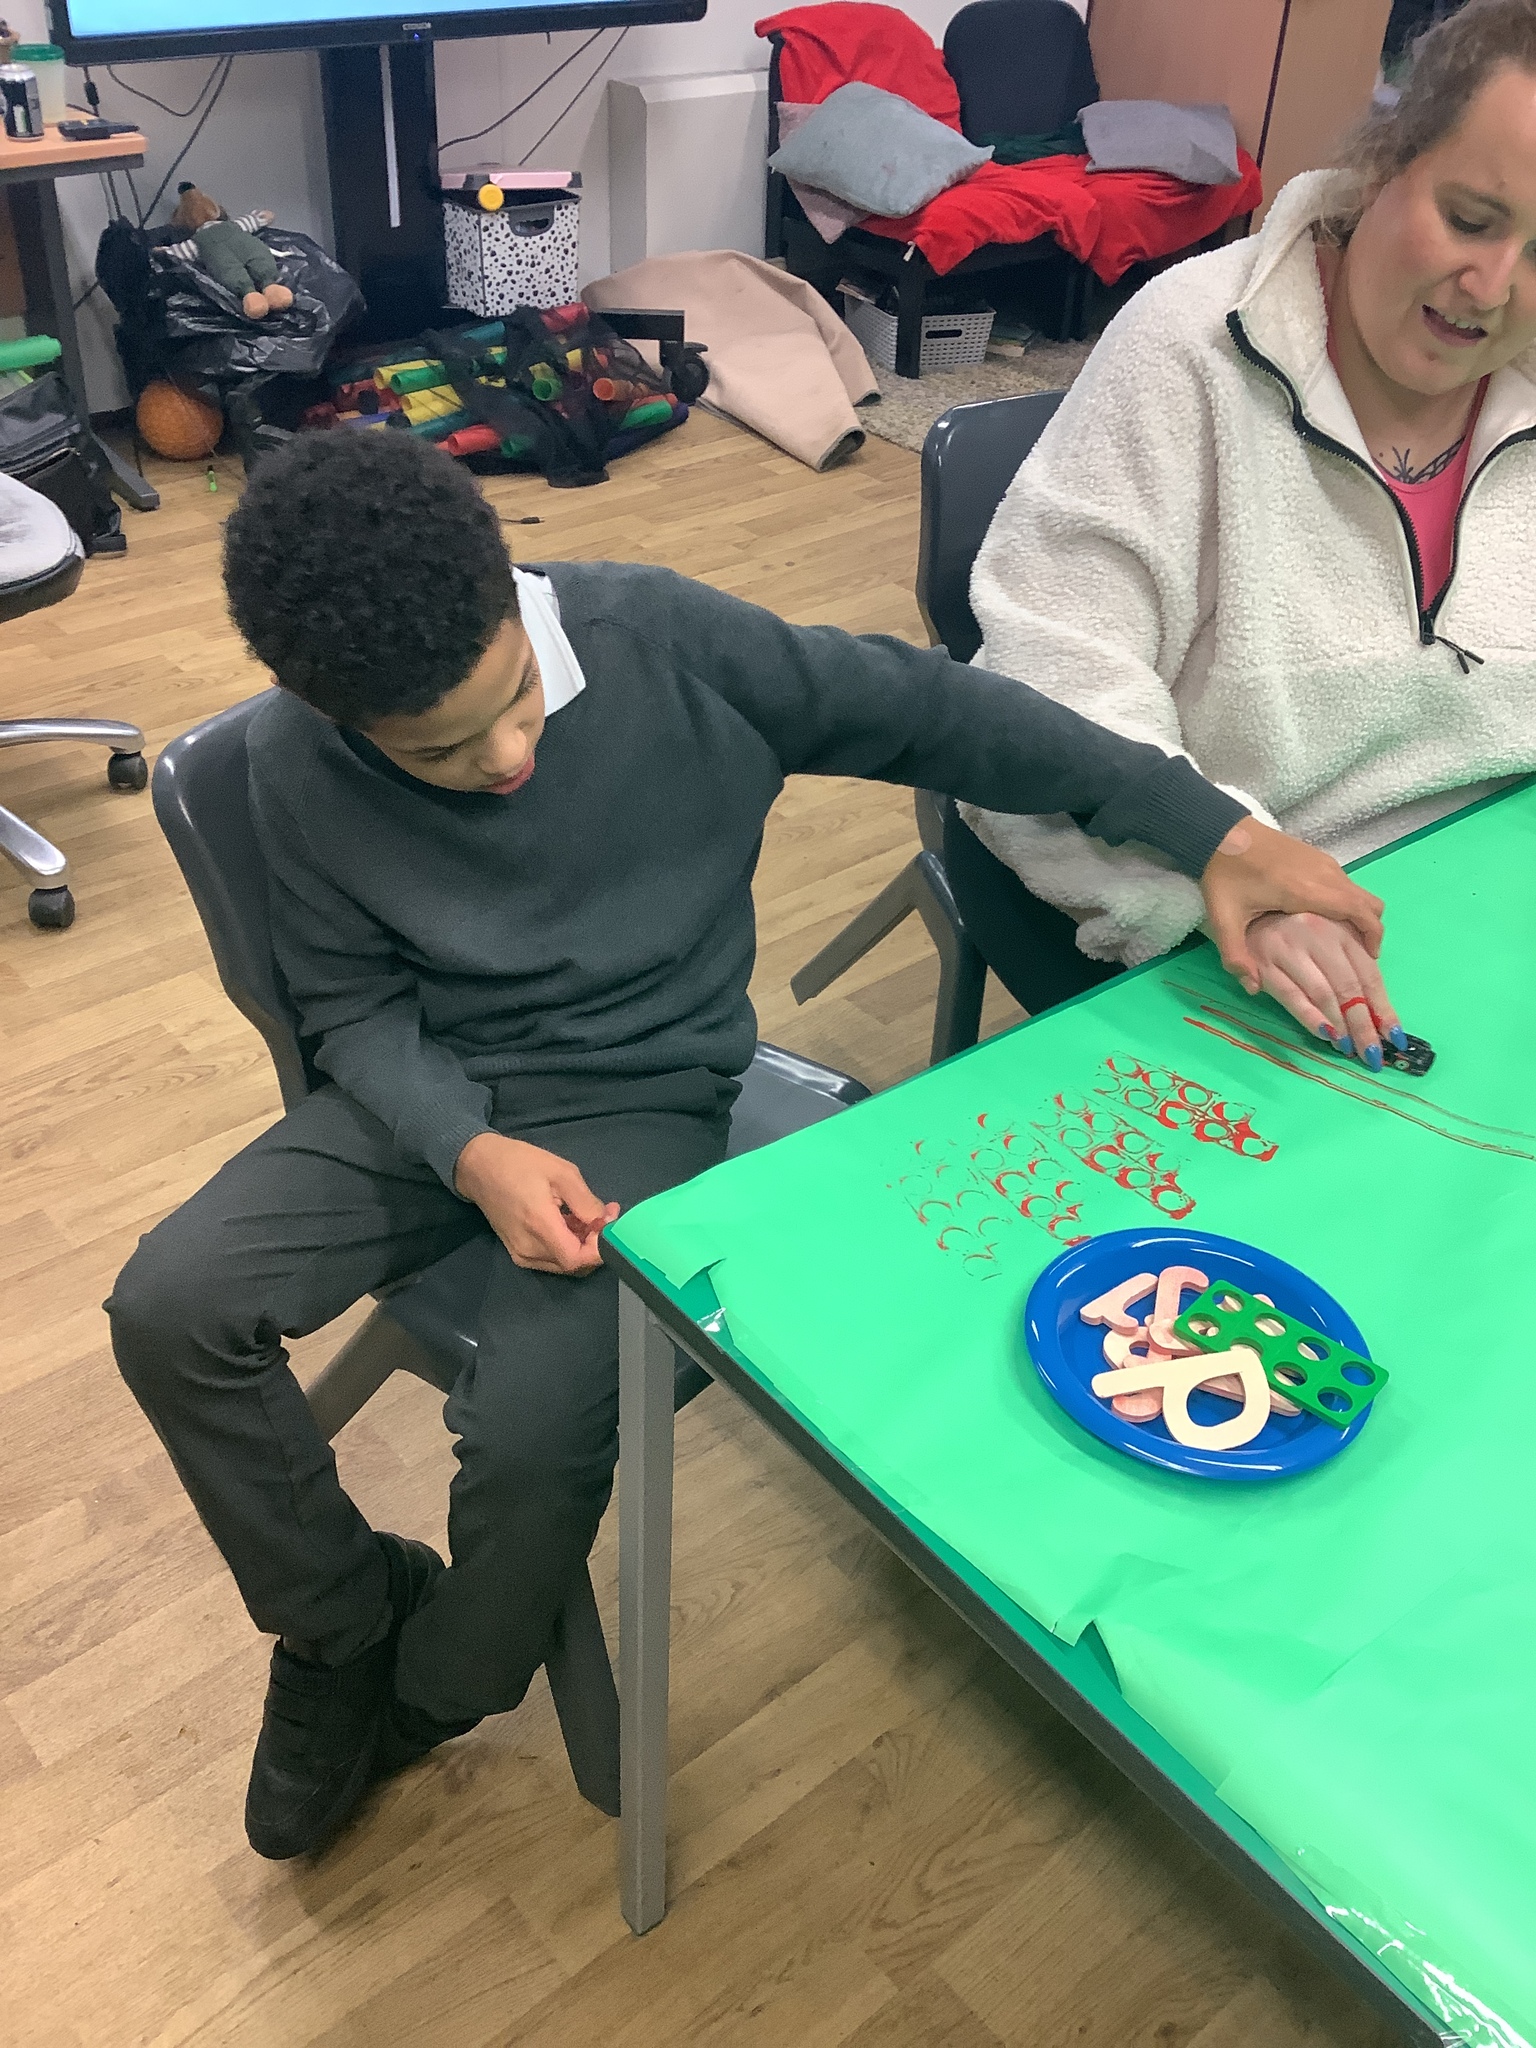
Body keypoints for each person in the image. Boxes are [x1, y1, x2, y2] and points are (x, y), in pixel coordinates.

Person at [106, 430, 1376, 1863]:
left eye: (514, 700)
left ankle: (440, 1690)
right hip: (426, 1097)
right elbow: (346, 1004)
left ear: (514, 597)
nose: (507, 758)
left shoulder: (665, 641)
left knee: (532, 1428)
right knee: (169, 1306)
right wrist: (465, 1148)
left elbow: (949, 715)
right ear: (334, 718)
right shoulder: (297, 757)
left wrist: (1210, 835)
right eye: (439, 754)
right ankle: (342, 1628)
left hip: (640, 1092)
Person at [949, 0, 1536, 1072]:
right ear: (1385, 162)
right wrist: (1226, 859)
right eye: (1469, 218)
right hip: (1231, 913)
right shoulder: (1188, 350)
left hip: (1487, 911)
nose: (1491, 288)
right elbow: (1047, 676)